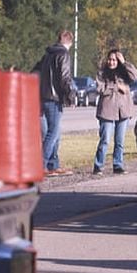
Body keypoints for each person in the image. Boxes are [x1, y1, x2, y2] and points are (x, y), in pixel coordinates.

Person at [33, 29, 76, 176]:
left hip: (42, 97)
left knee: (50, 133)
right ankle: (42, 165)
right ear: (70, 42)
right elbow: (64, 78)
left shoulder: (47, 55)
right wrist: (70, 96)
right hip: (54, 98)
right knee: (53, 132)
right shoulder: (63, 54)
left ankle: (53, 164)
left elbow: (35, 72)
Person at [92, 49, 137, 175]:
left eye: (114, 60)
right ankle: (98, 165)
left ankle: (118, 165)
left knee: (120, 141)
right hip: (107, 111)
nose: (111, 62)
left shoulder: (124, 73)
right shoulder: (102, 73)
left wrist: (124, 63)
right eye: (110, 59)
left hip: (123, 111)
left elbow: (135, 76)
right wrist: (117, 87)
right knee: (105, 140)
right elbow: (100, 89)